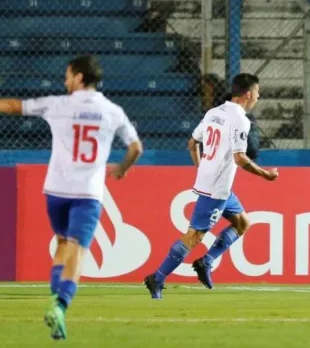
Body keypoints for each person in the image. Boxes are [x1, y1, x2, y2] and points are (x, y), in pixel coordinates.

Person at [0, 55, 143, 338]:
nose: (64, 81)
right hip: (87, 192)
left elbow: (16, 107)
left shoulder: (58, 105)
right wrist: (122, 169)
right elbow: (136, 147)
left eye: (67, 75)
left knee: (63, 242)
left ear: (79, 77)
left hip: (55, 190)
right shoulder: (112, 111)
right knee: (79, 248)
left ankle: (56, 291)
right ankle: (61, 304)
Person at [144, 73, 279, 299]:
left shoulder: (213, 112)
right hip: (217, 187)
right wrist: (266, 175)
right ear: (248, 94)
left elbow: (192, 143)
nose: (258, 95)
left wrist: (202, 167)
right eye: (257, 91)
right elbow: (240, 159)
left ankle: (206, 261)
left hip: (216, 183)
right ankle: (156, 278)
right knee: (194, 236)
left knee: (242, 222)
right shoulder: (241, 120)